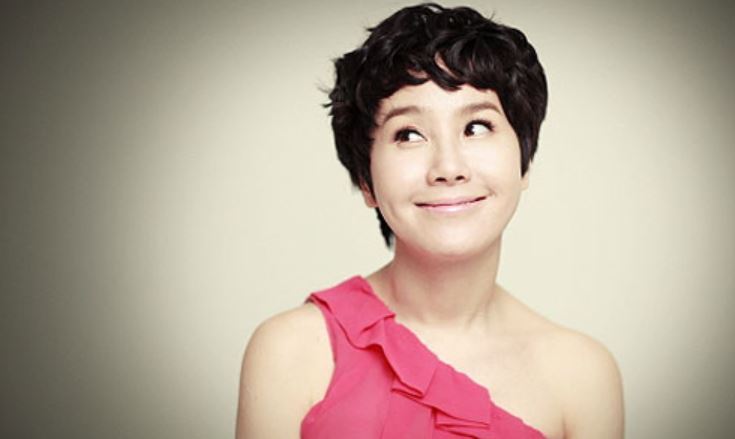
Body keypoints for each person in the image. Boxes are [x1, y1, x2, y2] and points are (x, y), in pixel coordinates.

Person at [236, 3, 624, 438]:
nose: (448, 167)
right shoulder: (292, 352)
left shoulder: (582, 376)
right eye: (409, 134)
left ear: (524, 162)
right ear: (366, 181)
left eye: (477, 127)